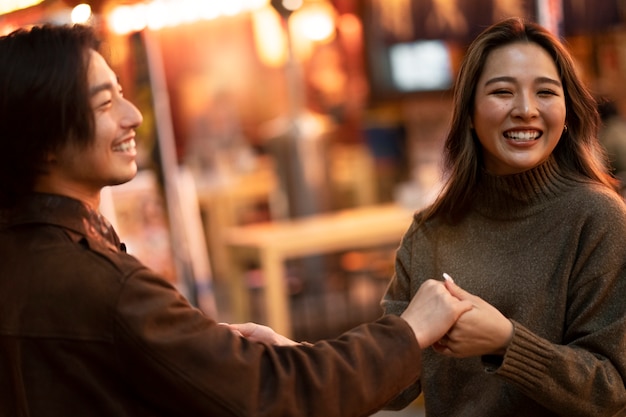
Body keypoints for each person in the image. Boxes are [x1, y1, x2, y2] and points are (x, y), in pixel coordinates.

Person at [0, 24, 473, 417]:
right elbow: (277, 393)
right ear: (42, 140)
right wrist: (409, 331)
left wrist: (193, 348)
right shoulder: (110, 289)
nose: (133, 116)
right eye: (104, 104)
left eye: (122, 94)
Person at [382, 17, 626, 416]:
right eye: (502, 92)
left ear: (567, 112)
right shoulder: (431, 231)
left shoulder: (598, 218)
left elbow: (611, 388)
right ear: (470, 113)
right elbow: (395, 379)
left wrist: (507, 342)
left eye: (545, 91)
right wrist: (298, 359)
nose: (526, 110)